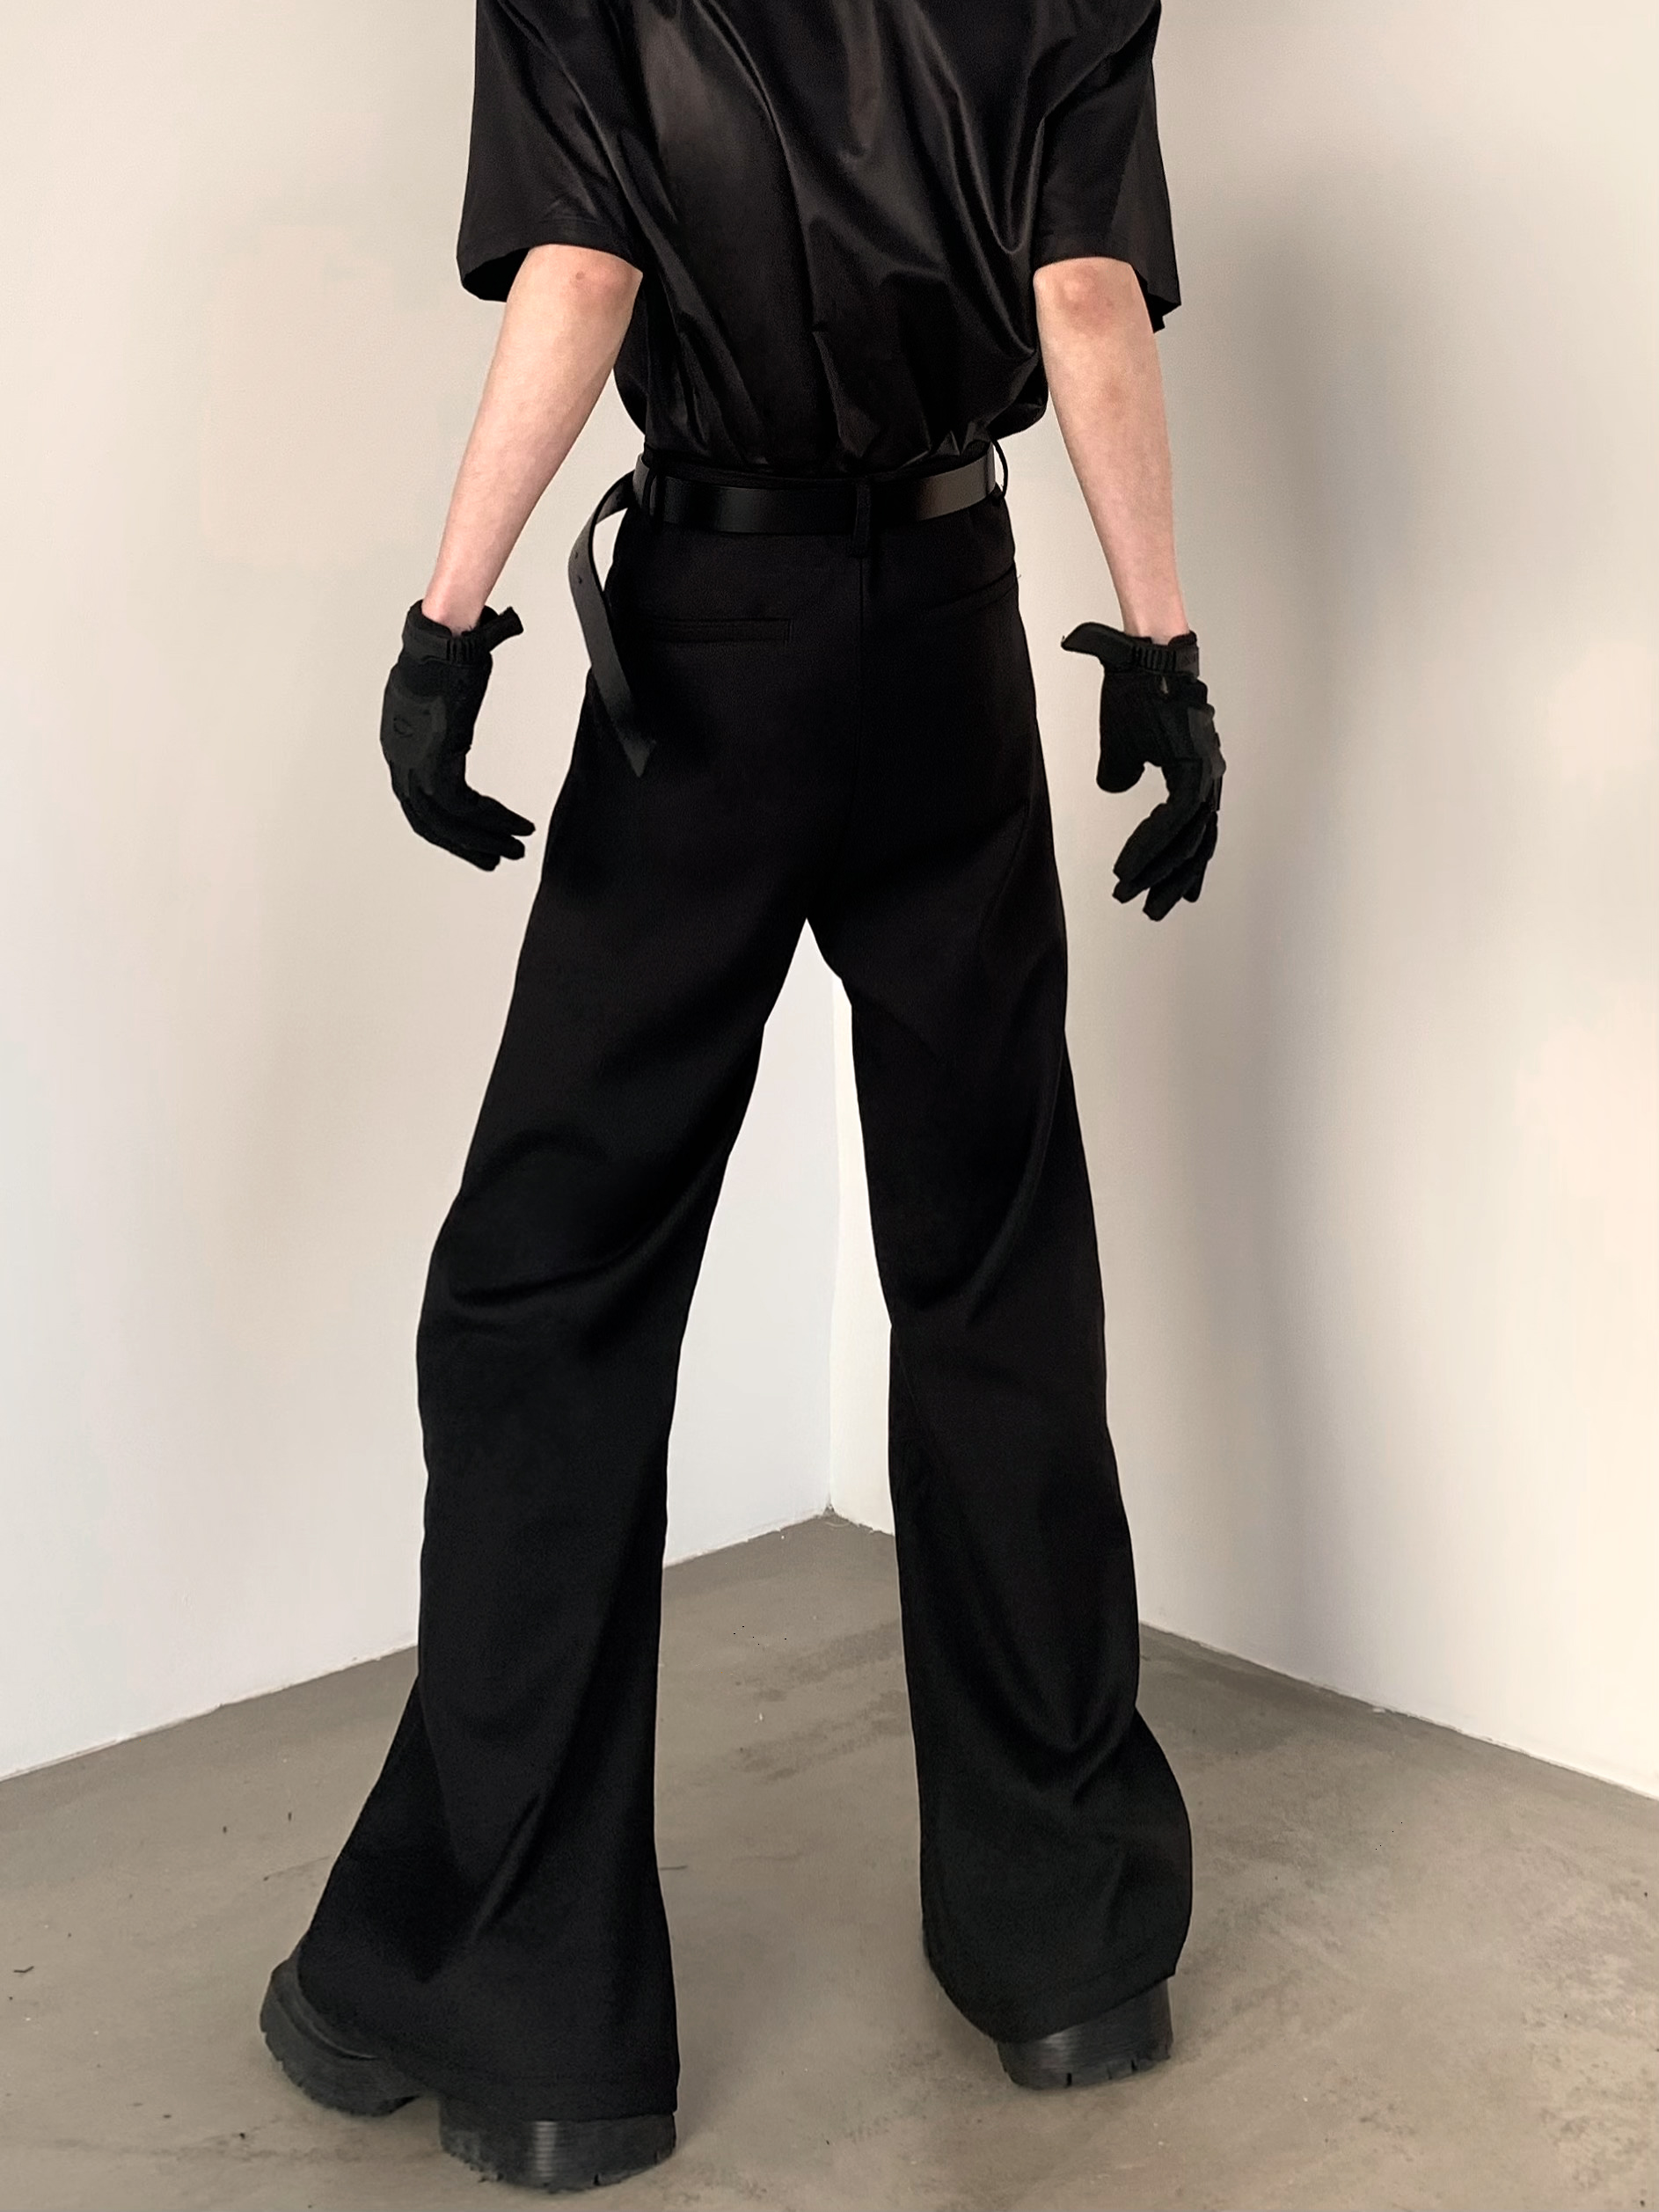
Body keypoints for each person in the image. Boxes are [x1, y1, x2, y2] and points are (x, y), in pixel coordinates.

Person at [259, 0, 1225, 2191]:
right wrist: (1165, 654)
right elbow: (1082, 295)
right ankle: (1069, 1947)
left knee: (544, 1292)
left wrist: (445, 622)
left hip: (716, 637)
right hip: (952, 622)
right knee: (990, 1261)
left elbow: (586, 274)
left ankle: (535, 2012)